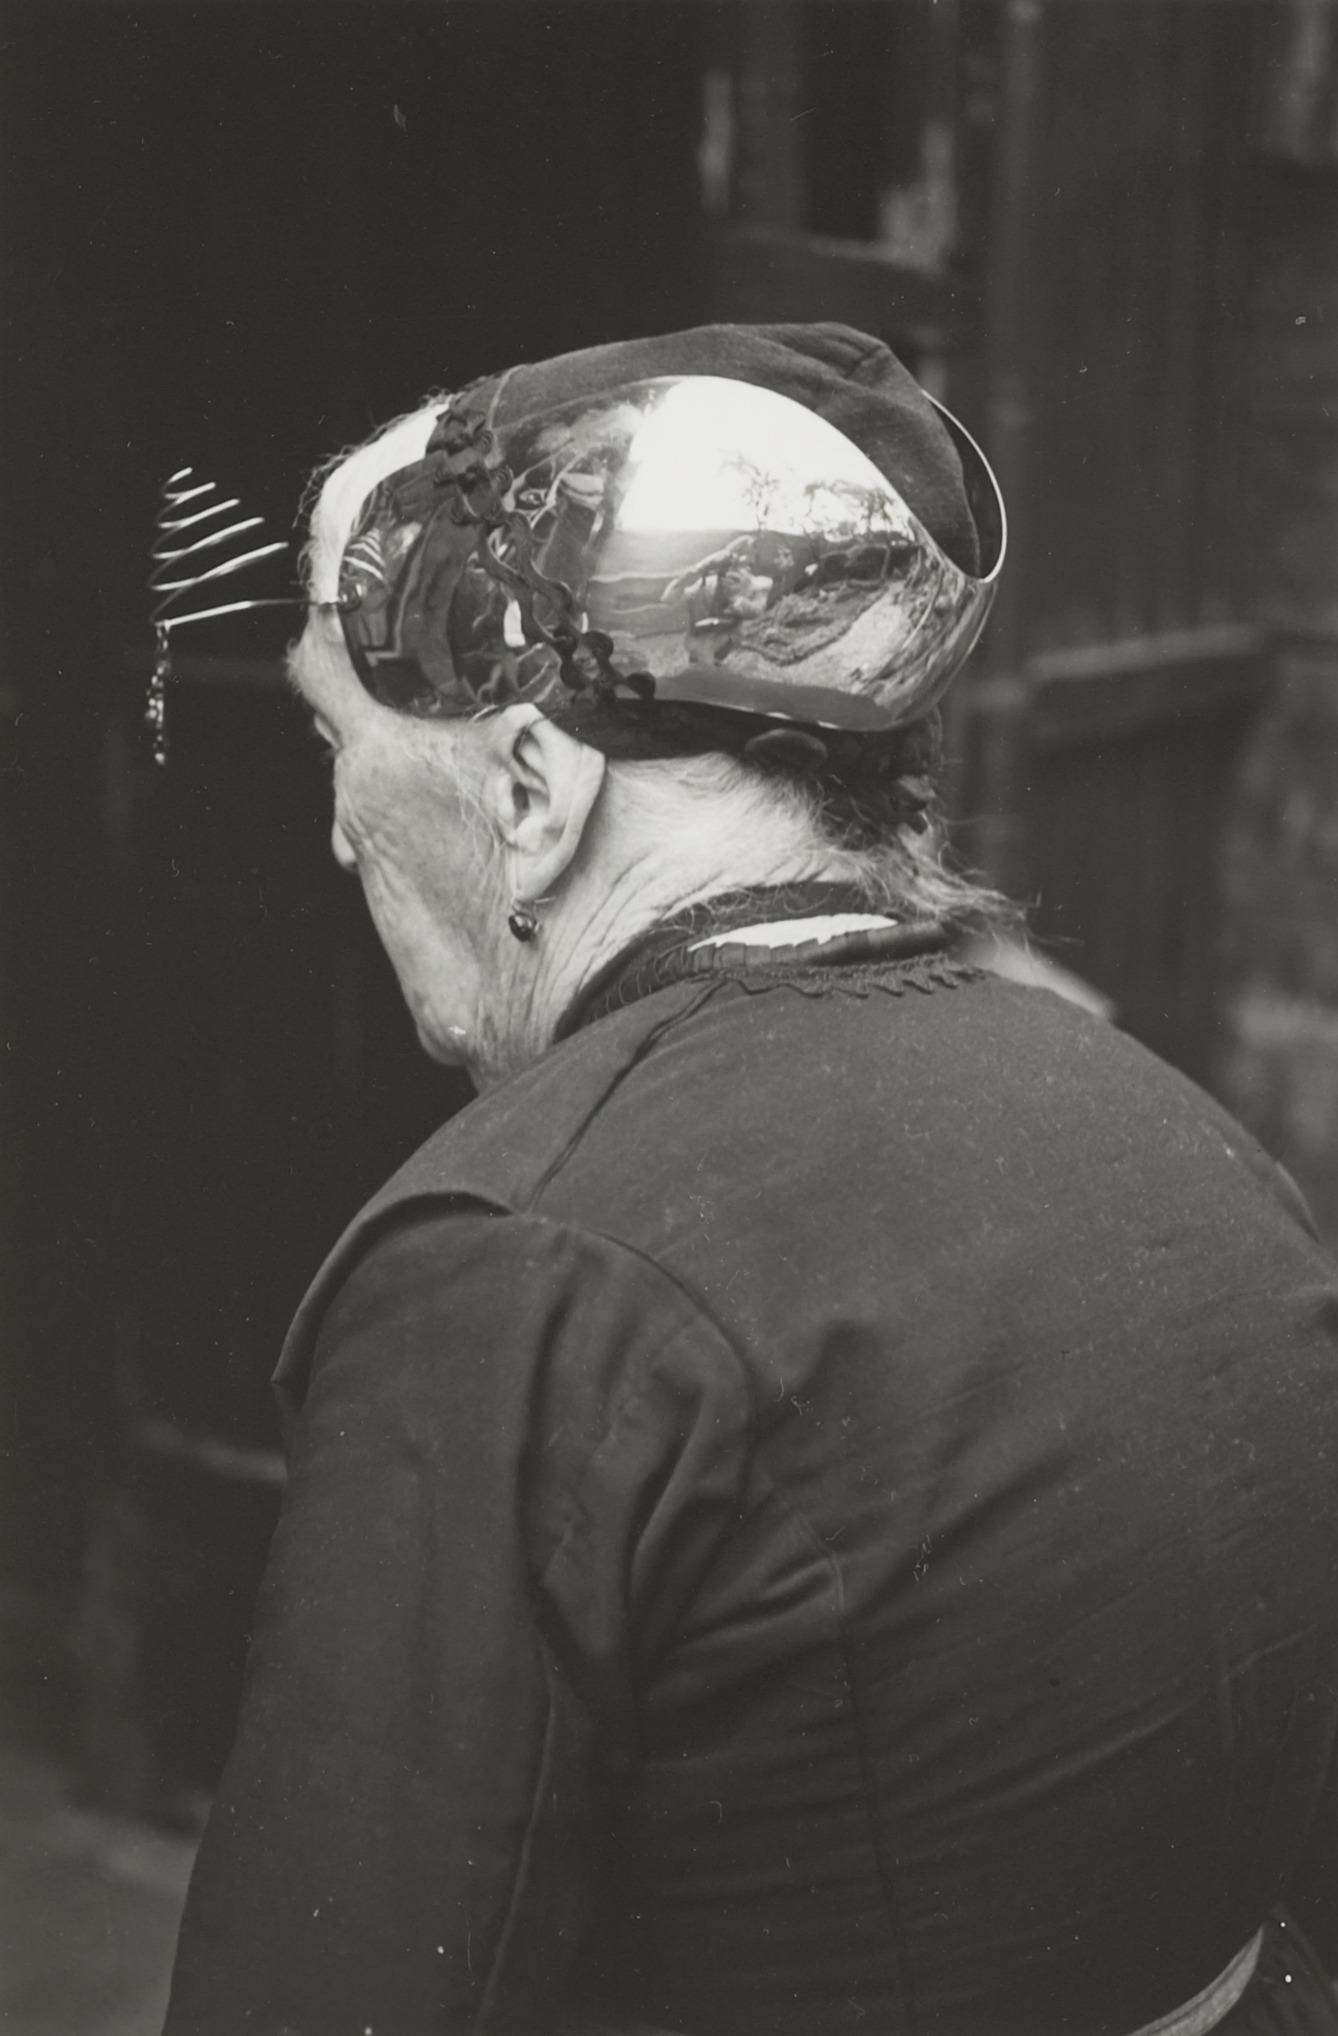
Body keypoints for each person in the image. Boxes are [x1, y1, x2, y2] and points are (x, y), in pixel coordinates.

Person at [160, 324, 1338, 2036]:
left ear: (532, 789)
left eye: (335, 740)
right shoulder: (1193, 1143)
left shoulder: (520, 1268)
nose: (339, 829)